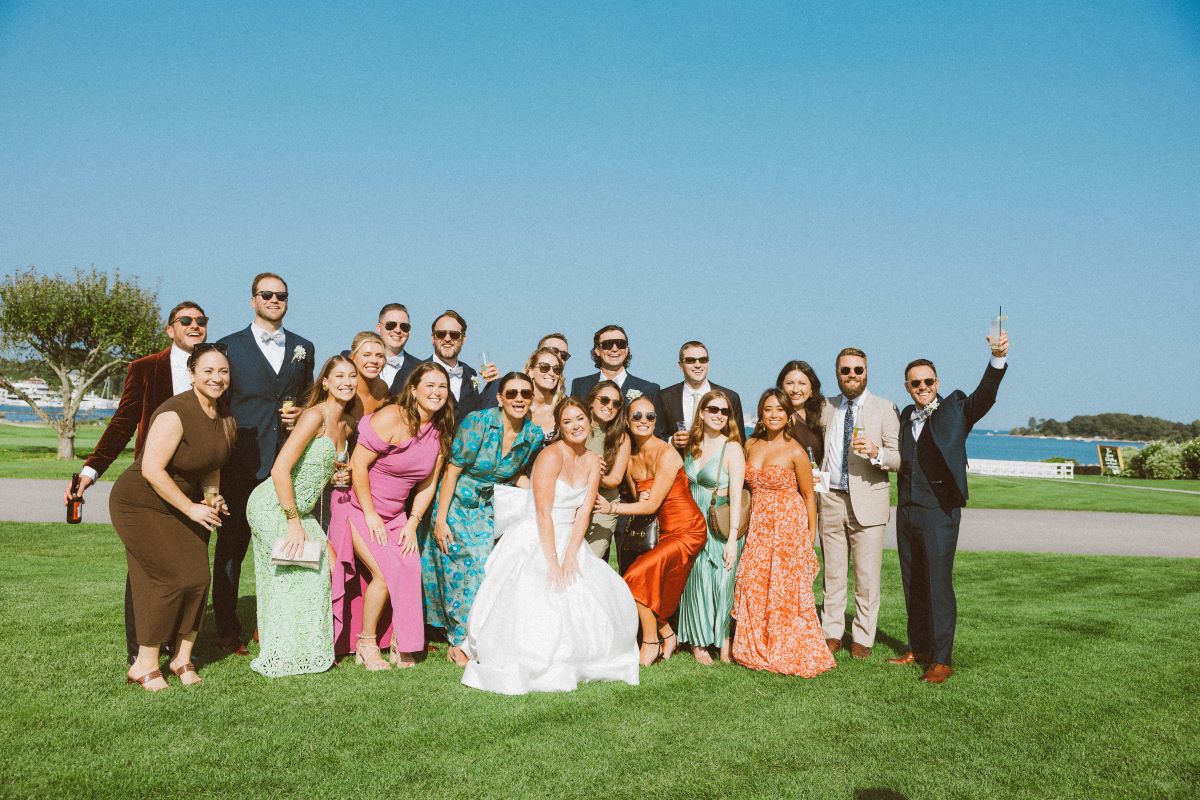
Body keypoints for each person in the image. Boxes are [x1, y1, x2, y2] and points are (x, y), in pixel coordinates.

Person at [462, 398, 640, 694]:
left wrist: (571, 555)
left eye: (580, 419)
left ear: (589, 421)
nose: (575, 426)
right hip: (539, 532)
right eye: (567, 421)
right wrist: (554, 561)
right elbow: (542, 512)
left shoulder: (593, 461)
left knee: (587, 587)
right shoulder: (550, 456)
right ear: (559, 427)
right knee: (541, 586)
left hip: (571, 534)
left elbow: (584, 510)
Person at [66, 300, 209, 664]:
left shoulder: (216, 369)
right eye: (186, 320)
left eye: (201, 321)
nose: (195, 326)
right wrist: (89, 471)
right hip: (150, 484)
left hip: (195, 487)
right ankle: (139, 654)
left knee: (190, 570)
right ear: (170, 329)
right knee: (146, 573)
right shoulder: (145, 369)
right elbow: (122, 423)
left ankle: (177, 649)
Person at [109, 344, 236, 690]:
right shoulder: (175, 412)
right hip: (141, 502)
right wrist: (191, 508)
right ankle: (144, 663)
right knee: (169, 579)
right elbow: (151, 469)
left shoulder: (225, 417)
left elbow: (212, 467)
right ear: (192, 374)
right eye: (208, 371)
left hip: (185, 502)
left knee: (198, 577)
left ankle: (182, 658)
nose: (216, 377)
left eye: (223, 371)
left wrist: (212, 500)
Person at [888, 332, 1009, 684]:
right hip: (907, 508)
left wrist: (996, 359)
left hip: (940, 510)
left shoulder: (956, 408)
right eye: (915, 383)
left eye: (928, 381)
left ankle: (941, 659)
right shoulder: (906, 414)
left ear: (937, 382)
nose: (922, 387)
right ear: (907, 387)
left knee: (938, 583)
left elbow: (984, 397)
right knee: (913, 581)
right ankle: (919, 648)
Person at [215, 273, 315, 655]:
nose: (274, 300)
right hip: (241, 461)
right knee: (232, 546)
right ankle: (226, 629)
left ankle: (273, 624)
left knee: (285, 545)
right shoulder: (228, 346)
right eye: (267, 294)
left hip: (286, 462)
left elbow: (309, 397)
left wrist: (301, 413)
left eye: (281, 295)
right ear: (253, 299)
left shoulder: (303, 347)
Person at [336, 363, 454, 670]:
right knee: (385, 574)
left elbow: (428, 484)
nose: (436, 392)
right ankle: (366, 643)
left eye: (442, 386)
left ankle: (403, 641)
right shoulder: (391, 417)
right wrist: (372, 515)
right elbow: (358, 465)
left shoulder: (440, 432)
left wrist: (413, 523)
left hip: (397, 516)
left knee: (411, 567)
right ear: (413, 390)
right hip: (359, 509)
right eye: (429, 385)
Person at [423, 372, 545, 666]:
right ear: (501, 398)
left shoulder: (533, 435)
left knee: (484, 567)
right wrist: (440, 520)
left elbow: (516, 473)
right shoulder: (478, 422)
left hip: (489, 508)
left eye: (525, 394)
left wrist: (542, 500)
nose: (519, 399)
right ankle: (460, 641)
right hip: (456, 501)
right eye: (512, 393)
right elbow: (452, 470)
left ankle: (476, 635)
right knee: (464, 567)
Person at [246, 355, 357, 677]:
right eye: (339, 376)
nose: (347, 382)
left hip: (302, 509)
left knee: (326, 568)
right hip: (273, 505)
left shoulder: (347, 425)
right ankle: (282, 651)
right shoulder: (314, 416)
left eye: (352, 376)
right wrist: (294, 522)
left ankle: (311, 648)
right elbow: (280, 468)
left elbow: (322, 467)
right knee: (294, 572)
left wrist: (337, 476)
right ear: (325, 382)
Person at [732, 389, 834, 678]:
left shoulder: (795, 450)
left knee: (784, 588)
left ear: (788, 414)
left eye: (779, 409)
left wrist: (809, 538)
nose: (774, 414)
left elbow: (808, 496)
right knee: (755, 581)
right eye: (768, 409)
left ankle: (786, 644)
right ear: (761, 414)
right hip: (759, 525)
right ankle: (756, 642)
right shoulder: (750, 444)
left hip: (788, 525)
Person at [602, 395, 706, 666]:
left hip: (687, 529)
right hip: (663, 530)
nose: (644, 421)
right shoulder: (631, 458)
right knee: (639, 578)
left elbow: (650, 506)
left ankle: (650, 642)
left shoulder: (667, 453)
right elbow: (640, 500)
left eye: (650, 417)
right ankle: (667, 633)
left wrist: (611, 509)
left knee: (635, 576)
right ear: (627, 420)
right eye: (637, 416)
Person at [817, 347, 900, 661]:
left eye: (857, 370)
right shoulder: (826, 408)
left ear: (867, 372)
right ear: (837, 374)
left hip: (869, 501)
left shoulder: (884, 408)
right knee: (833, 575)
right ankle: (832, 633)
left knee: (867, 578)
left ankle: (863, 637)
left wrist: (877, 452)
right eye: (845, 370)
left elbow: (898, 458)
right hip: (832, 500)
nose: (851, 375)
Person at [676, 390, 746, 664]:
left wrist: (732, 539)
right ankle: (698, 642)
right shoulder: (691, 446)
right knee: (698, 580)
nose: (719, 415)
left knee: (723, 580)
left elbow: (738, 497)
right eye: (713, 410)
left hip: (720, 524)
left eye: (724, 411)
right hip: (692, 523)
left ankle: (725, 639)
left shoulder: (732, 448)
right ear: (702, 413)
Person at [569, 324, 664, 438]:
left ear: (627, 350)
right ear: (597, 351)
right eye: (607, 344)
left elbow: (659, 435)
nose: (615, 348)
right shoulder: (580, 385)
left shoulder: (649, 389)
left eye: (620, 344)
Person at [660, 341, 744, 451]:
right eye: (691, 360)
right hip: (678, 465)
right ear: (680, 365)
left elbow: (739, 440)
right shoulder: (664, 397)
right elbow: (655, 437)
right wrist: (671, 441)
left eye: (703, 360)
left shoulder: (730, 397)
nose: (698, 365)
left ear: (708, 363)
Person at [582, 380, 630, 561]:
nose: (609, 406)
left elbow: (615, 479)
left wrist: (597, 475)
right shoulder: (578, 428)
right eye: (604, 400)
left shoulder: (621, 438)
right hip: (573, 504)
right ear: (591, 401)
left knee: (589, 562)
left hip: (602, 506)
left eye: (616, 403)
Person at [424, 309, 497, 425]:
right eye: (441, 334)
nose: (447, 339)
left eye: (454, 334)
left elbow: (480, 412)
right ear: (433, 338)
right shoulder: (417, 371)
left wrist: (493, 386)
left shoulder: (470, 373)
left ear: (463, 340)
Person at [775, 360, 826, 465]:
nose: (795, 389)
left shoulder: (818, 415)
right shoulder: (777, 417)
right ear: (781, 387)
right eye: (790, 383)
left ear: (812, 389)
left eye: (802, 383)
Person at [376, 303, 418, 395]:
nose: (398, 330)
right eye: (391, 325)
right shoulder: (357, 362)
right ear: (379, 328)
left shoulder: (420, 368)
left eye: (404, 327)